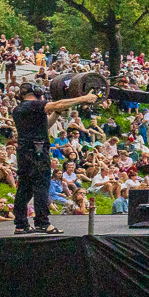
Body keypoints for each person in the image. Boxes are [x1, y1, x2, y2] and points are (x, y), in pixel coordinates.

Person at [10, 80, 98, 234]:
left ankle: (21, 224)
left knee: (25, 188)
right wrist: (84, 98)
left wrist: (57, 113)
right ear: (35, 91)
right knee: (41, 186)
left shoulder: (19, 108)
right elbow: (56, 104)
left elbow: (45, 126)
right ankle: (42, 222)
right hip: (37, 150)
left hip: (24, 151)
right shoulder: (33, 105)